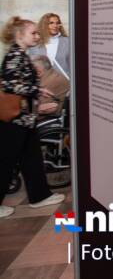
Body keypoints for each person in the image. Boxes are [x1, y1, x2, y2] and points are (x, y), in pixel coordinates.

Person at [1, 17, 65, 219]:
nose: (37, 36)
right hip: (15, 120)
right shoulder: (15, 55)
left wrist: (37, 90)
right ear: (20, 35)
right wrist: (36, 89)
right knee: (6, 162)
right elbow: (9, 85)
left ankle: (40, 196)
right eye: (33, 33)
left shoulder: (21, 54)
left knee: (32, 159)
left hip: (25, 119)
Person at [28, 13, 70, 79]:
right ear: (44, 25)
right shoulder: (35, 43)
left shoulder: (68, 41)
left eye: (57, 23)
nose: (55, 26)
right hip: (43, 82)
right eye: (51, 23)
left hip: (65, 82)